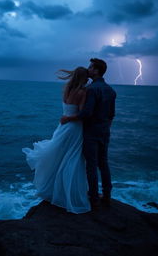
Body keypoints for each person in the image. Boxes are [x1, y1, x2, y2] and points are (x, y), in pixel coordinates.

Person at [22, 66, 92, 213]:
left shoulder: (66, 89)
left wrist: (66, 118)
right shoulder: (82, 92)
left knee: (60, 157)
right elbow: (81, 114)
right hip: (74, 128)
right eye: (86, 77)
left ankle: (55, 191)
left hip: (62, 127)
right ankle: (69, 195)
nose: (88, 79)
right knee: (72, 159)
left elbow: (68, 109)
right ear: (82, 78)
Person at [60, 58, 116, 210]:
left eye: (91, 67)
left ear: (96, 71)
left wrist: (68, 118)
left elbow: (86, 113)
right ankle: (107, 196)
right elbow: (111, 115)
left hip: (91, 132)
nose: (88, 69)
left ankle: (93, 199)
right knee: (103, 164)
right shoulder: (111, 90)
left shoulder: (91, 89)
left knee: (91, 166)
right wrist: (105, 129)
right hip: (104, 132)